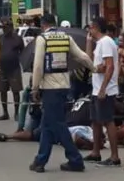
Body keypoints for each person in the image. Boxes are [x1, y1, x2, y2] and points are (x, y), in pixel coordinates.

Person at [29, 13, 93, 172]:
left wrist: (35, 88)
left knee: (58, 125)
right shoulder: (66, 38)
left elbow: (37, 66)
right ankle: (40, 160)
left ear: (43, 25)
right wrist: (95, 68)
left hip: (49, 88)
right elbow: (82, 57)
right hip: (64, 85)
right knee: (47, 125)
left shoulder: (42, 39)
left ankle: (75, 159)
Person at [85, 17, 122, 167]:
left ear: (95, 27)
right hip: (96, 88)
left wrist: (103, 89)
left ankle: (114, 156)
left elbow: (110, 66)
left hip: (105, 89)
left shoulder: (106, 42)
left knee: (108, 121)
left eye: (90, 28)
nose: (89, 31)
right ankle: (96, 152)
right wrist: (88, 42)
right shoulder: (99, 43)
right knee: (95, 120)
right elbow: (88, 60)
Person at [0, 20, 25, 121]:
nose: (4, 29)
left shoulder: (17, 39)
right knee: (2, 91)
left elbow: (23, 52)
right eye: (3, 28)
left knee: (16, 91)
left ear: (11, 27)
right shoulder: (0, 38)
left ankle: (16, 113)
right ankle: (5, 113)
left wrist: (21, 63)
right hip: (2, 69)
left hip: (14, 69)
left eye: (5, 27)